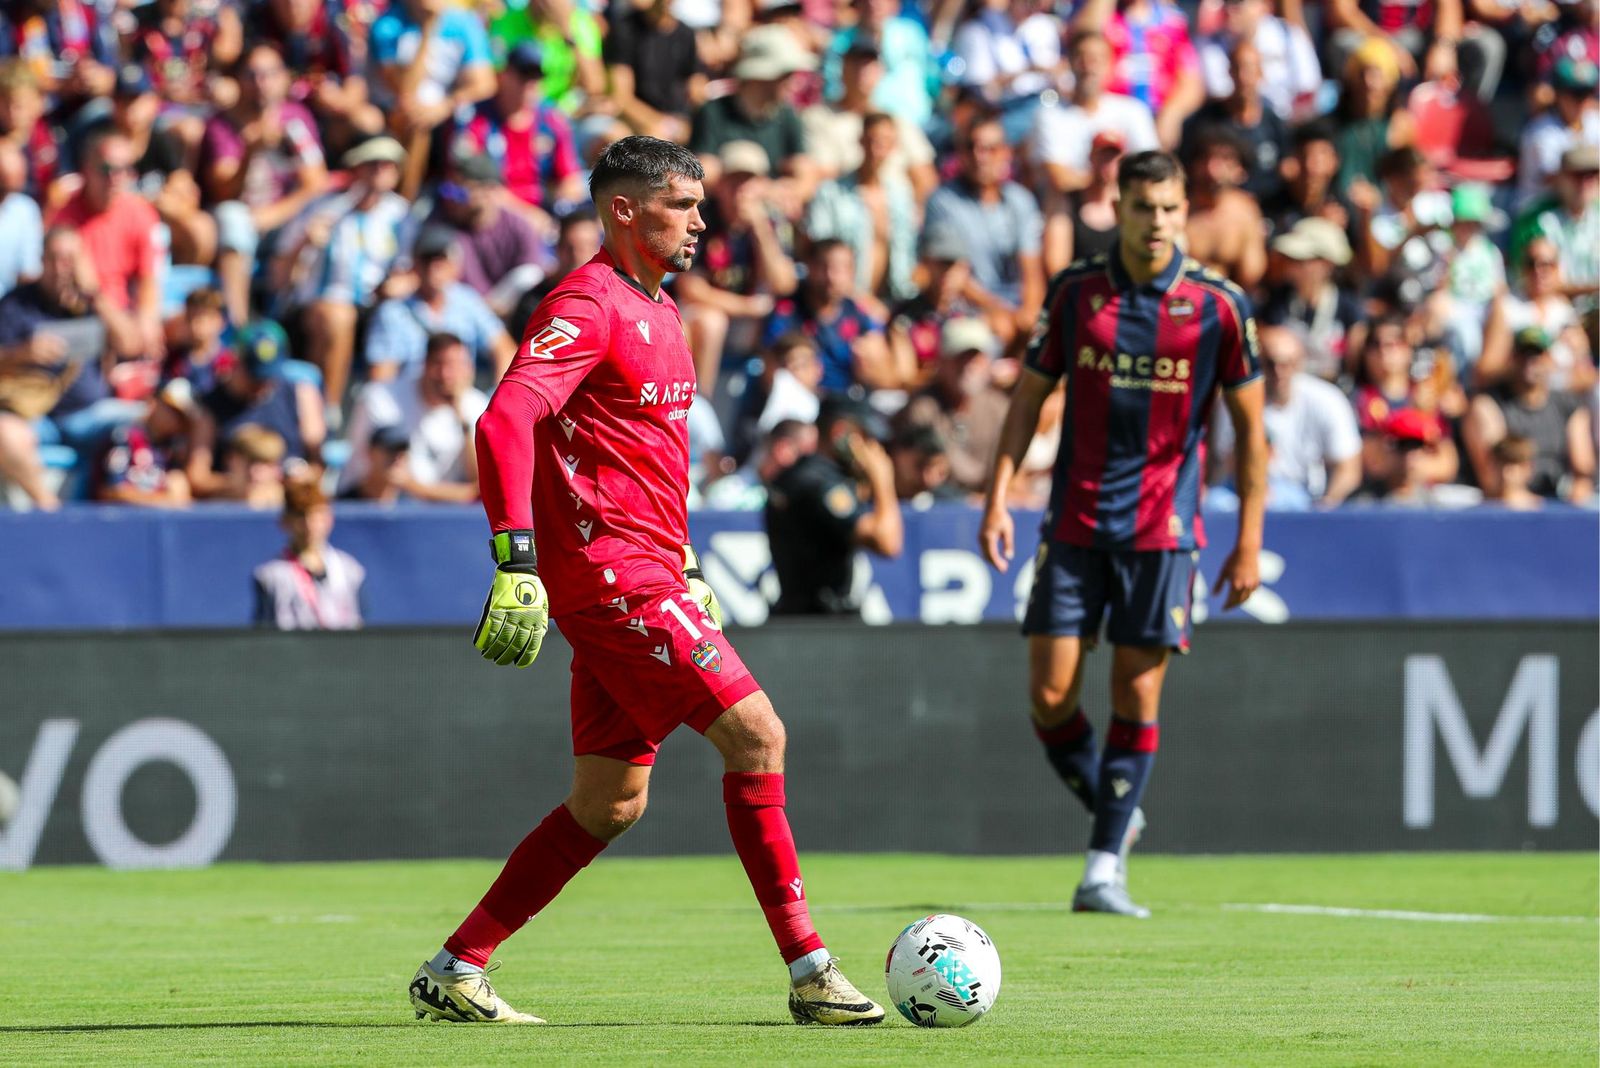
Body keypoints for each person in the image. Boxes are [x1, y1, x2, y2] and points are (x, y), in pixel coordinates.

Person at [408, 135, 885, 1027]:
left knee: (610, 801)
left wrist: (692, 567)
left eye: (701, 204)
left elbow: (652, 463)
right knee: (758, 736)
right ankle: (811, 971)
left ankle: (457, 964)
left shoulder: (664, 312)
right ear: (624, 209)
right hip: (610, 576)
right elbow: (506, 417)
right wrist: (515, 558)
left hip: (652, 570)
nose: (702, 219)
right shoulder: (587, 305)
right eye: (682, 204)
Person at [979, 150, 1266, 918]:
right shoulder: (1077, 292)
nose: (1158, 223)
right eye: (1144, 209)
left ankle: (1103, 865)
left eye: (1171, 209)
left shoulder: (1219, 304)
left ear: (1185, 211)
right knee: (1047, 697)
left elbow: (1252, 430)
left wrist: (1247, 538)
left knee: (1134, 696)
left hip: (1163, 528)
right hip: (1073, 518)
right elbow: (1030, 398)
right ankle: (1117, 809)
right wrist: (998, 496)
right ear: (1119, 208)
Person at [765, 392, 904, 615]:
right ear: (840, 432)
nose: (873, 448)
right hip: (819, 622)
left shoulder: (801, 475)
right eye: (865, 438)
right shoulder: (820, 485)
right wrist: (883, 479)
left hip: (801, 618)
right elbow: (887, 542)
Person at [252, 474, 365, 629]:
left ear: (329, 518)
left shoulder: (351, 570)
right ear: (286, 521)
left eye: (317, 515)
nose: (310, 525)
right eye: (301, 516)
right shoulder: (270, 576)